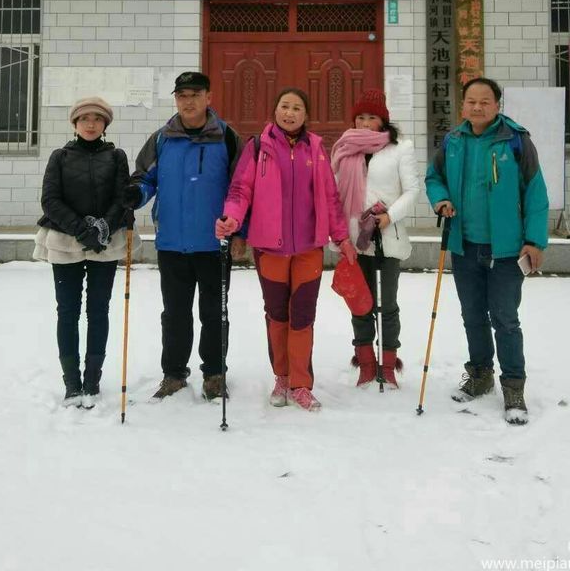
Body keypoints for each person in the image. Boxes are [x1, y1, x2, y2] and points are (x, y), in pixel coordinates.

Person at [215, 87, 356, 412]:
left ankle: (301, 384)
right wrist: (231, 219)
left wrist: (342, 238)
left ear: (306, 116)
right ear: (275, 110)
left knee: (303, 318)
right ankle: (282, 376)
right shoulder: (257, 147)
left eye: (296, 108)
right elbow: (240, 190)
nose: (289, 113)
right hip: (269, 248)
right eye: (284, 106)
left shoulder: (317, 149)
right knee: (277, 316)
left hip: (309, 247)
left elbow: (331, 198)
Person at [425, 77, 549, 424]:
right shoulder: (452, 141)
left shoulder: (516, 142)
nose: (477, 107)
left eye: (485, 101)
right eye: (471, 101)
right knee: (473, 316)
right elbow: (433, 178)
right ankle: (480, 375)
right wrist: (441, 200)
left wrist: (535, 240)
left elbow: (536, 194)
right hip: (465, 245)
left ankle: (513, 387)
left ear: (497, 106)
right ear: (463, 105)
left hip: (507, 251)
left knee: (505, 319)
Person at [124, 71, 242, 403]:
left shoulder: (228, 138)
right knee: (174, 313)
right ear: (175, 99)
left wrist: (239, 232)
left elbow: (242, 189)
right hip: (172, 243)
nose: (188, 101)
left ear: (209, 97)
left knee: (214, 312)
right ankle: (174, 374)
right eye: (181, 95)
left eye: (194, 94)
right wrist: (136, 194)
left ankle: (215, 374)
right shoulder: (162, 139)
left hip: (213, 243)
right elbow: (144, 178)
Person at [34, 96, 133, 408]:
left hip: (106, 243)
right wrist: (81, 230)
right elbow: (50, 199)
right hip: (66, 241)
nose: (91, 124)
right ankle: (71, 382)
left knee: (98, 311)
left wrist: (102, 227)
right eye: (85, 118)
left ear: (105, 124)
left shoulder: (116, 156)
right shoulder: (60, 157)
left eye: (97, 119)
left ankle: (92, 379)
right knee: (67, 311)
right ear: (75, 123)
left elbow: (123, 198)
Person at [330, 89, 419, 389]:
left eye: (372, 117)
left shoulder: (400, 148)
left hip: (386, 237)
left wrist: (388, 216)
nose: (366, 123)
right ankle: (366, 363)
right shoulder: (345, 148)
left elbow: (412, 191)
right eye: (360, 117)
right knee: (360, 303)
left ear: (383, 120)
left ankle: (390, 365)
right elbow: (336, 192)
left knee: (388, 304)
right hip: (356, 239)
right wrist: (339, 235)